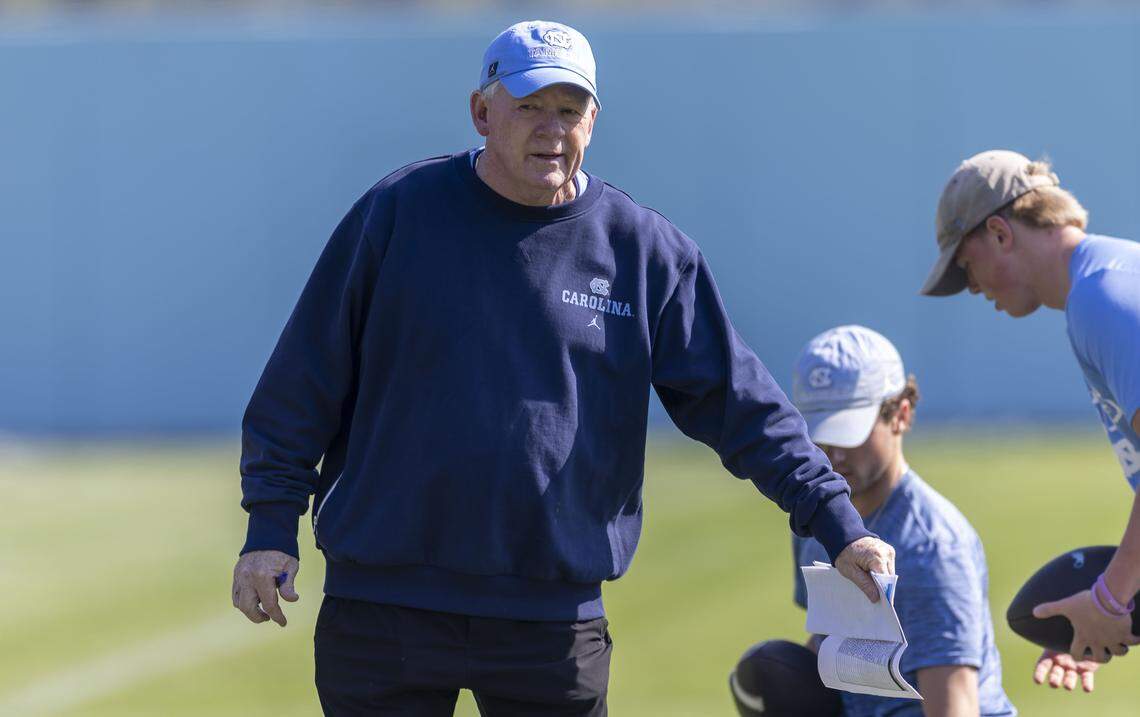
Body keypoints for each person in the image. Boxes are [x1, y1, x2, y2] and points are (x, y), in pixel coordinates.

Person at [230, 19, 894, 716]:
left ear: (593, 120)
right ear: (482, 112)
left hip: (549, 621)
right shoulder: (397, 214)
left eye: (569, 110)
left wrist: (838, 521)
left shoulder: (643, 252)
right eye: (529, 107)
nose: (552, 128)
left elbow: (741, 405)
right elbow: (303, 380)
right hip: (382, 608)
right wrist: (269, 528)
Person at [920, 149, 1140, 692]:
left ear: (1000, 232)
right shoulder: (1106, 281)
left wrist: (1109, 600)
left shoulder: (1103, 297)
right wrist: (1106, 609)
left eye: (965, 264)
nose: (972, 286)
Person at [748, 325, 1013, 717]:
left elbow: (954, 708)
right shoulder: (818, 524)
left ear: (901, 415)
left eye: (848, 432)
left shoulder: (931, 549)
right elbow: (829, 644)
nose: (832, 453)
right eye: (818, 433)